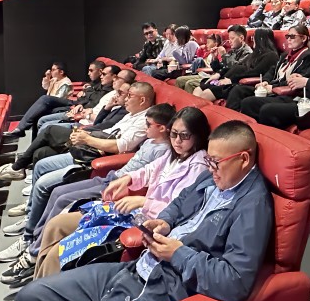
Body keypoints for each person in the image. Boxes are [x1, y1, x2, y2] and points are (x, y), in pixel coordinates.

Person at [13, 121, 272, 301]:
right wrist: (165, 221)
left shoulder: (253, 206)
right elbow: (180, 202)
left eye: (216, 161)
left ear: (243, 159)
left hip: (160, 290)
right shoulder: (212, 178)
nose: (211, 168)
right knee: (29, 298)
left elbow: (234, 281)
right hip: (134, 269)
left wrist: (177, 253)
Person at [25, 106, 211, 282]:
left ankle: (39, 291)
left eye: (184, 136)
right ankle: (35, 272)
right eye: (174, 134)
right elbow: (148, 170)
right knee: (55, 225)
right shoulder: (174, 154)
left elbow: (181, 208)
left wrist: (143, 201)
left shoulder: (198, 166)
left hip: (146, 222)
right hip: (132, 212)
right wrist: (128, 178)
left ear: (198, 135)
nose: (177, 140)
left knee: (57, 254)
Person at [1, 104, 176, 278]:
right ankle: (33, 240)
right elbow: (141, 170)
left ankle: (33, 251)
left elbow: (149, 181)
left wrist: (131, 190)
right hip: (112, 177)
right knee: (56, 191)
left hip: (120, 190)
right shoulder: (150, 141)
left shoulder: (164, 150)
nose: (145, 127)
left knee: (62, 198)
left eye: (148, 124)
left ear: (161, 128)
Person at [0, 81, 154, 181]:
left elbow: (118, 142)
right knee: (40, 152)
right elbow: (105, 126)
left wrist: (86, 135)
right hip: (89, 133)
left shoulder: (141, 118)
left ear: (141, 99)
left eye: (128, 95)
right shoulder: (129, 113)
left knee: (48, 128)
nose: (124, 98)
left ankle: (17, 167)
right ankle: (30, 197)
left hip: (93, 144)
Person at [225, 24, 310, 110]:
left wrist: (272, 87)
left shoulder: (308, 56)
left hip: (285, 93)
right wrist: (265, 81)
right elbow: (272, 70)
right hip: (272, 87)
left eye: (292, 36)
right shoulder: (285, 55)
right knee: (238, 90)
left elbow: (297, 80)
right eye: (287, 36)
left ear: (303, 38)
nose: (288, 39)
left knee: (248, 102)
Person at [195, 29, 278, 102]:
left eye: (254, 37)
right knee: (198, 89)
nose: (252, 39)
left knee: (206, 93)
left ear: (261, 39)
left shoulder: (271, 55)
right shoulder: (253, 54)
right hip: (229, 79)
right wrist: (219, 73)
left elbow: (256, 72)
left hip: (240, 83)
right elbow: (234, 66)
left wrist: (231, 80)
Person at [35, 64, 120, 134]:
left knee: (45, 104)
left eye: (104, 74)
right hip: (78, 109)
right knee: (42, 115)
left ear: (114, 77)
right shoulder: (97, 85)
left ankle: (27, 129)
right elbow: (89, 98)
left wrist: (83, 111)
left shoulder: (112, 95)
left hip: (81, 116)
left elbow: (97, 111)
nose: (101, 76)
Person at [4, 62, 76, 138]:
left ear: (61, 72)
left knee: (43, 102)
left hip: (60, 106)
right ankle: (24, 132)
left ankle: (21, 130)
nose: (51, 71)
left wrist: (47, 102)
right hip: (51, 104)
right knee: (36, 113)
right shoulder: (55, 80)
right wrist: (47, 77)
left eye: (53, 70)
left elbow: (59, 98)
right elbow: (45, 86)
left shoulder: (66, 83)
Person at [176, 25, 251, 94]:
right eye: (229, 38)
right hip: (217, 76)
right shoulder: (233, 50)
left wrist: (224, 55)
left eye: (232, 38)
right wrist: (215, 58)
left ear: (241, 38)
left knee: (190, 84)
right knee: (179, 80)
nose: (229, 41)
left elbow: (235, 69)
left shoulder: (248, 53)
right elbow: (218, 69)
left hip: (229, 82)